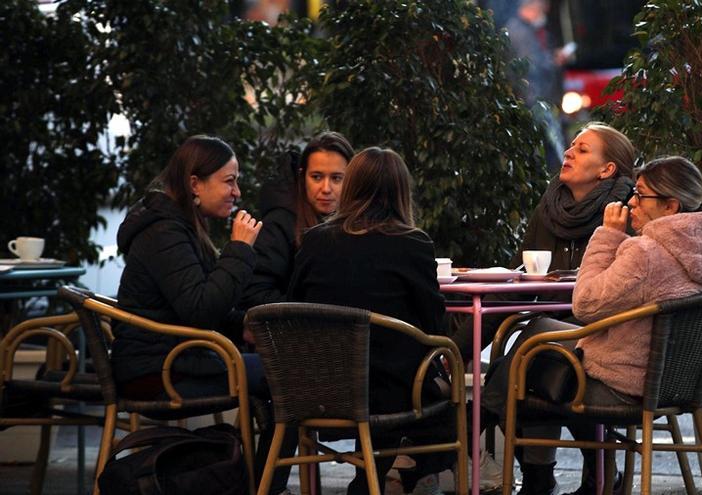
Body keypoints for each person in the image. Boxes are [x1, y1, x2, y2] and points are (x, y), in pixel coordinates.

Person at [484, 156, 702, 495]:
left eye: (641, 195)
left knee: (527, 357)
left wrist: (608, 236)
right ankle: (567, 472)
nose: (631, 202)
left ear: (670, 205)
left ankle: (477, 432)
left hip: (621, 385)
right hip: (673, 384)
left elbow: (585, 303)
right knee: (535, 345)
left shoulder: (646, 252)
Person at [111, 135, 291, 495]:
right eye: (229, 181)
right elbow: (199, 309)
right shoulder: (164, 232)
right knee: (289, 376)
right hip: (159, 368)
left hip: (177, 357)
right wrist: (238, 250)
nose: (237, 192)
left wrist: (244, 326)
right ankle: (263, 487)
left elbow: (201, 307)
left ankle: (259, 483)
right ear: (195, 183)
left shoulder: (179, 226)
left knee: (285, 369)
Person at [287, 147, 452, 495]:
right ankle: (405, 472)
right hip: (390, 393)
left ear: (351, 186)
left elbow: (294, 309)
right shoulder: (412, 243)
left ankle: (375, 477)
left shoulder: (314, 241)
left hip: (317, 388)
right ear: (400, 191)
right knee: (450, 398)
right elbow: (434, 326)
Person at [450, 122, 636, 362]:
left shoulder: (625, 214)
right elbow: (516, 283)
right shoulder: (549, 210)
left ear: (606, 169)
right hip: (547, 335)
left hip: (603, 333)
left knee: (530, 347)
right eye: (570, 147)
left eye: (582, 150)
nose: (568, 153)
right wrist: (456, 354)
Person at [239, 131, 354, 309]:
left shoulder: (357, 223)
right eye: (316, 177)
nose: (326, 188)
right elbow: (254, 294)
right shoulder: (280, 224)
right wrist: (309, 308)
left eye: (336, 178)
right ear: (302, 177)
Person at [506, 0, 571, 171]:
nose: (545, 13)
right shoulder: (520, 32)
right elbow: (530, 65)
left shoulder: (527, 29)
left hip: (538, 98)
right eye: (543, 8)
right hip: (534, 99)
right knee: (553, 147)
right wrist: (554, 60)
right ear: (534, 7)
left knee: (550, 146)